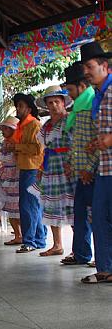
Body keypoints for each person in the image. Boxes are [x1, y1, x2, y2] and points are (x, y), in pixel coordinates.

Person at [79, 42, 112, 284]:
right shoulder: (97, 96)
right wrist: (96, 143)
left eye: (90, 67)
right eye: (84, 69)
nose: (87, 72)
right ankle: (106, 269)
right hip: (105, 166)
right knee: (99, 216)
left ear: (104, 66)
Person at [31, 86, 75, 256]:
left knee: (71, 206)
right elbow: (43, 149)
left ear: (63, 103)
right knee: (51, 205)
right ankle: (57, 245)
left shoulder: (70, 120)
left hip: (67, 166)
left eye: (57, 101)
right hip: (51, 168)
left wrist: (73, 164)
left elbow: (76, 144)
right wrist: (41, 168)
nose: (54, 105)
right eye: (50, 103)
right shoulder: (46, 126)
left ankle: (77, 248)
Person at [61, 62, 97, 266]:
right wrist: (72, 164)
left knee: (98, 216)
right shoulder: (77, 108)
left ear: (82, 86)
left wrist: (88, 168)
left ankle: (103, 258)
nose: (70, 94)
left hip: (92, 171)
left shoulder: (92, 103)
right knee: (81, 214)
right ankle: (82, 254)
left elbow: (97, 140)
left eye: (71, 89)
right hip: (81, 172)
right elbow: (77, 142)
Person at [6, 93, 47, 253]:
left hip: (32, 168)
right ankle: (39, 239)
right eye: (17, 105)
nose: (17, 108)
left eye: (21, 106)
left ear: (29, 109)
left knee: (28, 206)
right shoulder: (22, 125)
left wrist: (16, 147)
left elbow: (38, 148)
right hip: (25, 168)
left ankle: (30, 240)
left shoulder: (34, 124)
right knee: (32, 205)